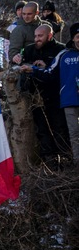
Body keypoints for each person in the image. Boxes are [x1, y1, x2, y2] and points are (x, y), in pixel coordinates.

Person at [21, 22, 79, 165]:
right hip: (69, 100)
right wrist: (33, 70)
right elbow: (49, 73)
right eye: (78, 36)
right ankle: (76, 163)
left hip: (61, 99)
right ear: (73, 38)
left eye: (40, 35)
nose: (37, 39)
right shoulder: (64, 54)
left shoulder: (58, 48)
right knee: (74, 134)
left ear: (50, 35)